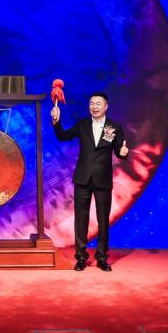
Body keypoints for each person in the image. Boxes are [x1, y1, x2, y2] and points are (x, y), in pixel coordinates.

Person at [51, 92, 129, 272]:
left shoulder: (114, 127)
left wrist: (123, 153)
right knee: (81, 219)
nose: (94, 106)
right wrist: (56, 121)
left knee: (103, 219)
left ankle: (102, 258)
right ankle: (81, 258)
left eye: (98, 103)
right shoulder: (82, 125)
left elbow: (119, 150)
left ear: (106, 106)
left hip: (103, 179)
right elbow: (63, 136)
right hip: (83, 177)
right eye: (92, 103)